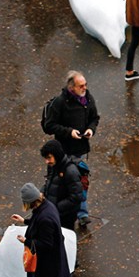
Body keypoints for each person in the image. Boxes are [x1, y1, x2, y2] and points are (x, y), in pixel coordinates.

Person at [43, 71, 100, 227]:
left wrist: (90, 129)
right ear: (71, 87)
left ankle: (81, 213)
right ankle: (59, 212)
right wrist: (69, 132)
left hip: (79, 150)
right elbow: (49, 125)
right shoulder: (60, 102)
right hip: (63, 151)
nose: (85, 88)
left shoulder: (87, 98)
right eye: (81, 86)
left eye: (85, 85)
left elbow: (95, 118)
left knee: (79, 182)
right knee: (62, 183)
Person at [40, 140, 84, 230]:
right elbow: (49, 181)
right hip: (53, 212)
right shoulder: (52, 166)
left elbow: (76, 197)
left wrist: (55, 207)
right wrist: (42, 192)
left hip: (65, 216)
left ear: (57, 155)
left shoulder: (71, 172)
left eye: (49, 158)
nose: (47, 161)